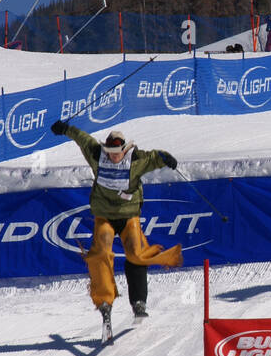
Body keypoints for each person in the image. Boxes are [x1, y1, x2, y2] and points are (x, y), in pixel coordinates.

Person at [49, 122, 183, 335]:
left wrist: (167, 158)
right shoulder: (96, 154)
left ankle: (138, 302)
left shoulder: (136, 159)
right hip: (105, 217)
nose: (113, 157)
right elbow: (82, 138)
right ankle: (104, 301)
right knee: (101, 253)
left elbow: (156, 156)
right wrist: (65, 129)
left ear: (124, 150)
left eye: (117, 153)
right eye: (110, 153)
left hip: (129, 216)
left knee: (136, 253)